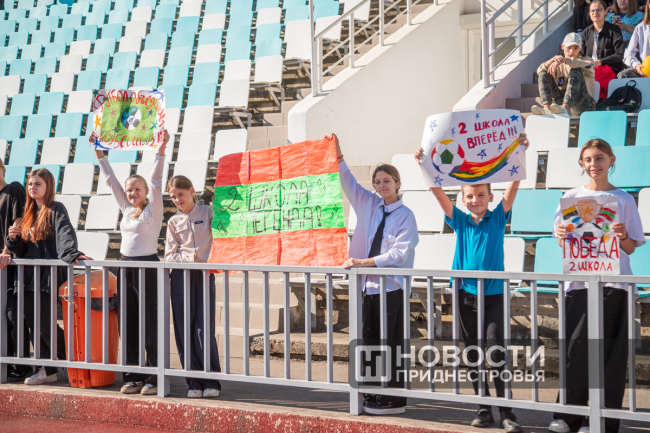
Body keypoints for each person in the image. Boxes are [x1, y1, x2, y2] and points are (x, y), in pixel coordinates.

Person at [414, 133, 530, 433]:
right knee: (474, 353)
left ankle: (507, 411)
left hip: (494, 296)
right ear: (463, 200)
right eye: (469, 196)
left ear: (490, 197)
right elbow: (437, 193)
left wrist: (519, 152)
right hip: (465, 296)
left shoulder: (498, 218)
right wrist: (425, 164)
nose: (475, 200)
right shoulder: (460, 220)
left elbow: (513, 186)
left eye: (480, 195)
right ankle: (483, 408)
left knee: (496, 351)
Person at [548, 139, 644, 433]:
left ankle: (603, 421)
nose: (594, 164)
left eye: (600, 158)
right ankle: (568, 417)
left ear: (611, 160)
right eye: (588, 159)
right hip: (579, 284)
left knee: (611, 355)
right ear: (582, 164)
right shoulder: (570, 197)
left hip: (615, 284)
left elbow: (631, 248)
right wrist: (562, 234)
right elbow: (563, 242)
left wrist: (623, 235)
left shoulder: (624, 199)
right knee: (575, 350)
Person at [332, 132, 418, 416]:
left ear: (397, 183)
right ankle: (371, 392)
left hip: (391, 288)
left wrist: (364, 262)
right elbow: (348, 181)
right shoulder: (368, 203)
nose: (382, 185)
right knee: (368, 340)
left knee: (389, 342)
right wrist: (338, 154)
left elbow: (398, 255)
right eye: (378, 182)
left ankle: (393, 399)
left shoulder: (406, 215)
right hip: (367, 287)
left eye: (387, 181)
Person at [90, 130, 169, 395]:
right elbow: (111, 180)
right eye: (130, 189)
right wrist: (98, 150)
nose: (132, 193)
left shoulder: (153, 210)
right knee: (128, 321)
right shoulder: (126, 208)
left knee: (150, 323)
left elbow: (157, 180)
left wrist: (161, 149)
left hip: (148, 267)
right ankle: (133, 375)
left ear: (145, 192)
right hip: (125, 266)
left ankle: (154, 376)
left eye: (137, 189)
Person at [6, 168, 91, 385]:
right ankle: (48, 369)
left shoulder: (56, 209)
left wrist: (72, 254)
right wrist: (13, 239)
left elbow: (65, 235)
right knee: (34, 325)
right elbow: (22, 251)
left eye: (38, 184)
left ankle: (74, 355)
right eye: (30, 183)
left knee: (44, 324)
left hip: (47, 276)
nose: (32, 187)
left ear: (48, 186)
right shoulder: (27, 213)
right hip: (27, 277)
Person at [164, 175, 222, 399]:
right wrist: (192, 260)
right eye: (173, 196)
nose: (177, 199)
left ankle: (211, 381)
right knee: (184, 329)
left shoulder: (207, 212)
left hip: (204, 276)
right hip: (181, 277)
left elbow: (223, 229)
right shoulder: (173, 222)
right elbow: (170, 256)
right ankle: (193, 382)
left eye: (180, 194)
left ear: (191, 191)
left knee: (203, 328)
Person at [0, 159, 31, 379]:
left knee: (13, 314)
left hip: (11, 263)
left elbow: (17, 224)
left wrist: (6, 252)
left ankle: (21, 364)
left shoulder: (14, 189)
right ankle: (6, 362)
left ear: (3, 169)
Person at [532, 33, 596, 116]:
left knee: (576, 69)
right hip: (560, 102)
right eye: (569, 48)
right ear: (562, 46)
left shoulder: (587, 61)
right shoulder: (557, 63)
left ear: (580, 48)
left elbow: (586, 65)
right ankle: (547, 109)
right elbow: (539, 71)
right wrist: (549, 63)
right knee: (544, 73)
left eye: (575, 48)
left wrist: (565, 60)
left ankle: (565, 108)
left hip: (583, 105)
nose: (571, 51)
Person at [581, 0, 626, 74]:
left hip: (610, 70)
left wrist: (601, 62)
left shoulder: (615, 30)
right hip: (589, 70)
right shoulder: (586, 32)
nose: (595, 13)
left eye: (599, 10)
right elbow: (580, 53)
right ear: (589, 13)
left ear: (605, 12)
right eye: (592, 11)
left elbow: (619, 54)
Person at [618, 3, 650, 77]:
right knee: (623, 75)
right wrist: (636, 65)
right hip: (645, 70)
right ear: (648, 6)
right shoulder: (641, 27)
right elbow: (629, 54)